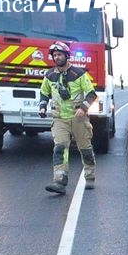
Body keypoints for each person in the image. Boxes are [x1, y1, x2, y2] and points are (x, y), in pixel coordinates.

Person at [38, 40, 98, 194]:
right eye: (54, 55)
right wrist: (42, 106)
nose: (56, 57)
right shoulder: (50, 75)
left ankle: (90, 177)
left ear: (66, 55)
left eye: (59, 54)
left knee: (85, 148)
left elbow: (92, 94)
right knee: (60, 148)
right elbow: (44, 92)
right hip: (59, 118)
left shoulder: (79, 74)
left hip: (78, 118)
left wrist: (83, 108)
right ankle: (60, 182)